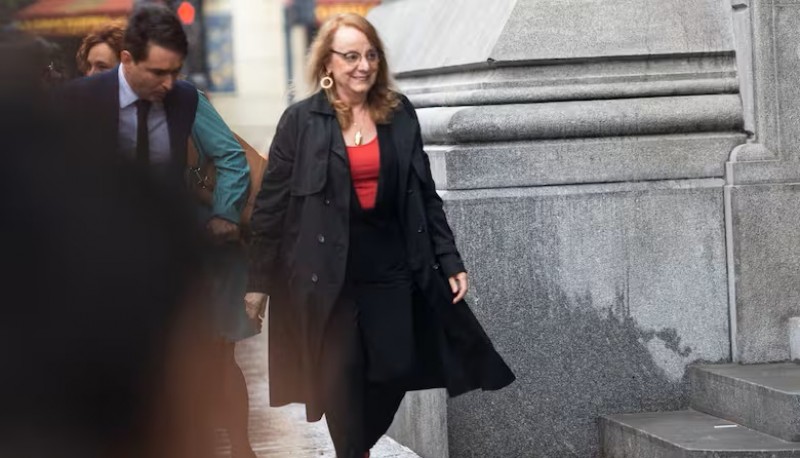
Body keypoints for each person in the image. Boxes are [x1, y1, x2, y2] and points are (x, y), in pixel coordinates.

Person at [244, 13, 515, 458]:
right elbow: (272, 207)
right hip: (324, 274)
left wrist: (450, 260)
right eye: (350, 56)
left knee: (396, 368)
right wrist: (257, 284)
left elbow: (424, 194)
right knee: (341, 375)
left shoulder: (398, 113)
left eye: (370, 55)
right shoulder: (300, 121)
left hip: (391, 264)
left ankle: (353, 449)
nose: (363, 65)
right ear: (327, 64)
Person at [60, 7, 257, 458]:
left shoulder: (185, 98)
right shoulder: (77, 102)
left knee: (198, 365)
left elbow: (227, 158)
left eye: (175, 72)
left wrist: (223, 217)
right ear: (128, 62)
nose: (168, 83)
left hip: (180, 259)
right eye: (157, 72)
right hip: (108, 263)